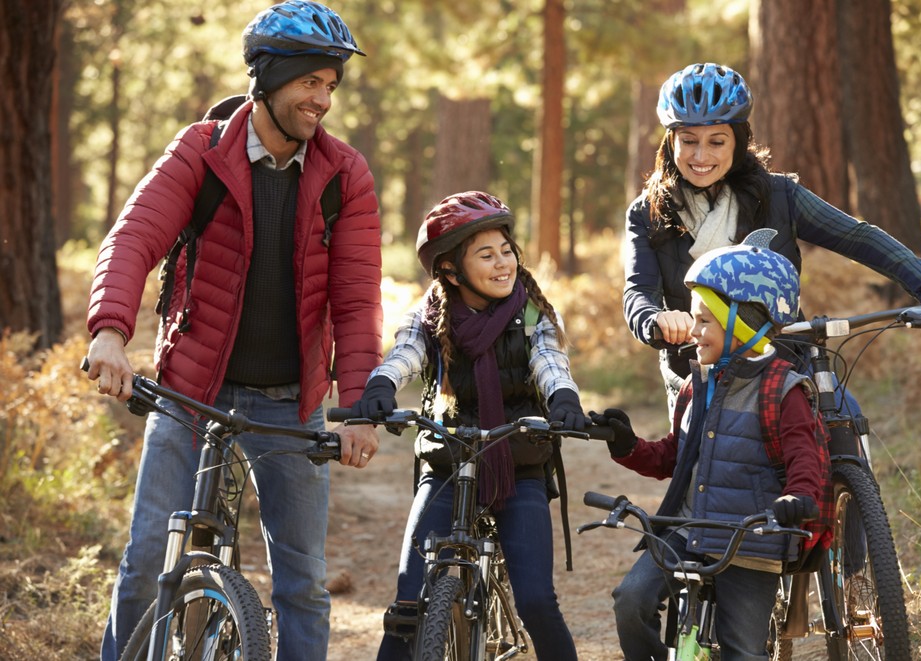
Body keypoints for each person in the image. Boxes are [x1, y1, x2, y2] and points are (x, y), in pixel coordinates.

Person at [84, 2, 382, 659]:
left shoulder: (344, 175)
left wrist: (357, 407)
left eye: (331, 85)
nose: (323, 100)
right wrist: (110, 330)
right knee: (145, 565)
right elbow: (134, 238)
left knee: (301, 583)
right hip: (192, 392)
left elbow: (357, 301)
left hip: (290, 403)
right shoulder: (202, 151)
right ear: (269, 80)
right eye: (310, 82)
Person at [623, 62, 921, 420]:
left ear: (738, 141)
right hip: (697, 375)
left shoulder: (779, 196)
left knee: (843, 421)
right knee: (701, 471)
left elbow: (857, 237)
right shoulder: (647, 213)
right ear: (671, 141)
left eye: (717, 142)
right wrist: (655, 320)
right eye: (689, 141)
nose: (701, 156)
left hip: (785, 364)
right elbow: (638, 292)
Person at [352, 191, 585, 661]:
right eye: (486, 255)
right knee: (407, 604)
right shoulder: (432, 313)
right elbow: (405, 353)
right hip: (446, 461)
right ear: (451, 272)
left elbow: (550, 361)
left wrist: (563, 398)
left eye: (506, 251)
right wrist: (380, 385)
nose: (503, 264)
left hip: (518, 462)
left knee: (538, 601)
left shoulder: (532, 311)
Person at [593, 237, 828, 660]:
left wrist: (799, 497)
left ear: (740, 323)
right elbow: (672, 457)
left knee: (743, 650)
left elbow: (803, 458)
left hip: (751, 541)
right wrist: (626, 445)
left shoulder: (782, 388)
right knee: (630, 601)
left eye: (705, 321)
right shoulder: (696, 383)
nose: (694, 332)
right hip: (684, 530)